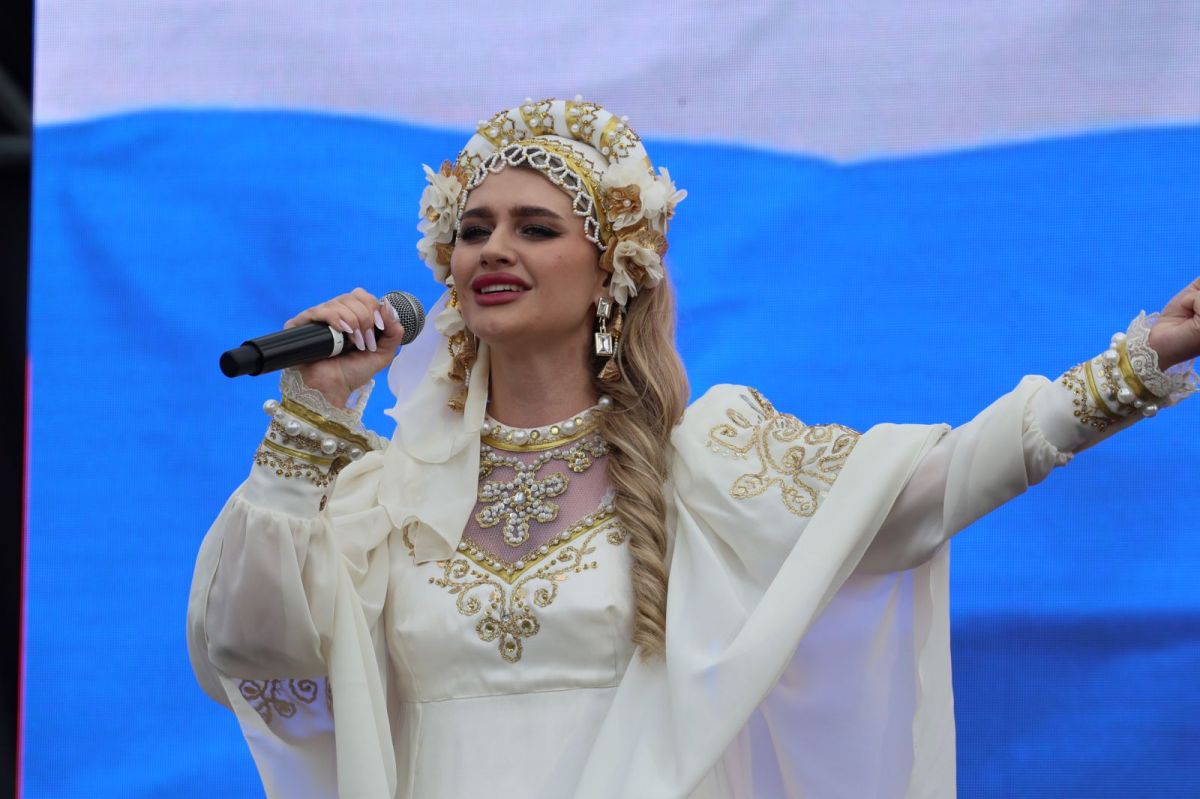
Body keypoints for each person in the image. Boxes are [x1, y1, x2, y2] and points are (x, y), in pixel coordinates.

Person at [187, 97, 1199, 798]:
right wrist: (312, 416)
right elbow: (250, 646)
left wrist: (1135, 365)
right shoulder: (384, 491)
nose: (493, 248)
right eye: (474, 228)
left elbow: (915, 496)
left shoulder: (703, 457)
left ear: (612, 269)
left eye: (536, 228)